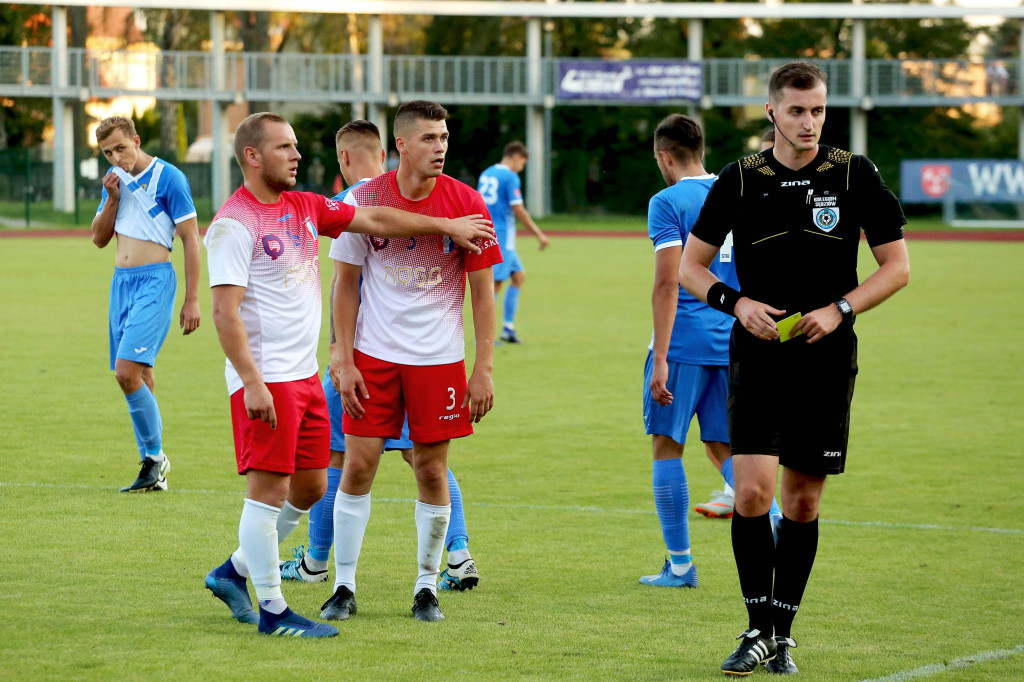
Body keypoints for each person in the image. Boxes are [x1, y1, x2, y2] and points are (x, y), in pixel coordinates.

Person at [201, 111, 494, 638]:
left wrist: (445, 226)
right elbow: (225, 312)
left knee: (314, 485)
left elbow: (378, 221)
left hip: (310, 376)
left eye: (295, 146)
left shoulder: (305, 205)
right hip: (271, 378)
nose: (296, 155)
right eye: (284, 148)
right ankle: (279, 607)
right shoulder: (232, 223)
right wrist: (255, 379)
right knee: (275, 489)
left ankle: (234, 571)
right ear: (252, 156)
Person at [679, 62, 909, 675]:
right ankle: (756, 628)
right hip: (757, 355)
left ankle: (782, 632)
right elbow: (691, 269)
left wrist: (841, 308)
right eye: (798, 111)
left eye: (818, 111)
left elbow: (896, 268)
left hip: (826, 359)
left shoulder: (854, 174)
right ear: (772, 112)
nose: (810, 123)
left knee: (801, 503)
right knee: (752, 492)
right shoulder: (740, 179)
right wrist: (739, 303)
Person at [280, 120, 481, 592]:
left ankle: (315, 562)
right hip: (404, 355)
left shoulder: (359, 201)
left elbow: (341, 286)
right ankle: (459, 554)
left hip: (372, 356)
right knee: (424, 460)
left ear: (344, 159)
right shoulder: (398, 193)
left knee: (340, 457)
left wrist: (337, 351)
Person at [322, 100, 500, 623]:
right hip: (372, 358)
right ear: (400, 144)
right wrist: (342, 354)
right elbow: (345, 285)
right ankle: (344, 585)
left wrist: (483, 368)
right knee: (357, 465)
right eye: (428, 138)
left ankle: (426, 588)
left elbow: (484, 295)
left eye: (444, 137)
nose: (440, 147)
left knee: (430, 468)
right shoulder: (364, 200)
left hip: (439, 361)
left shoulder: (468, 203)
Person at [640, 114, 781, 590]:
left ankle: (680, 566)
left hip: (683, 341)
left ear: (665, 156)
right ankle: (778, 521)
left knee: (667, 444)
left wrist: (659, 355)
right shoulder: (734, 188)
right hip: (735, 337)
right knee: (721, 444)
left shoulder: (667, 201)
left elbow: (668, 279)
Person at [90, 116, 201, 493]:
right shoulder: (113, 182)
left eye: (121, 147)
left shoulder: (169, 178)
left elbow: (190, 239)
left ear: (136, 140)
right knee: (140, 373)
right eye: (108, 152)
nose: (116, 157)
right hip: (120, 285)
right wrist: (113, 198)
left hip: (155, 281)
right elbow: (99, 239)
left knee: (125, 372)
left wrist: (193, 299)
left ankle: (155, 458)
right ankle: (155, 471)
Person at [477, 141, 549, 344]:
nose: (522, 168)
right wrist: (538, 234)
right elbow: (519, 210)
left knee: (518, 276)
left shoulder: (487, 172)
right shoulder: (510, 176)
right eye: (523, 164)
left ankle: (508, 328)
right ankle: (485, 335)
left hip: (488, 232)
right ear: (517, 157)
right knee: (496, 284)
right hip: (501, 236)